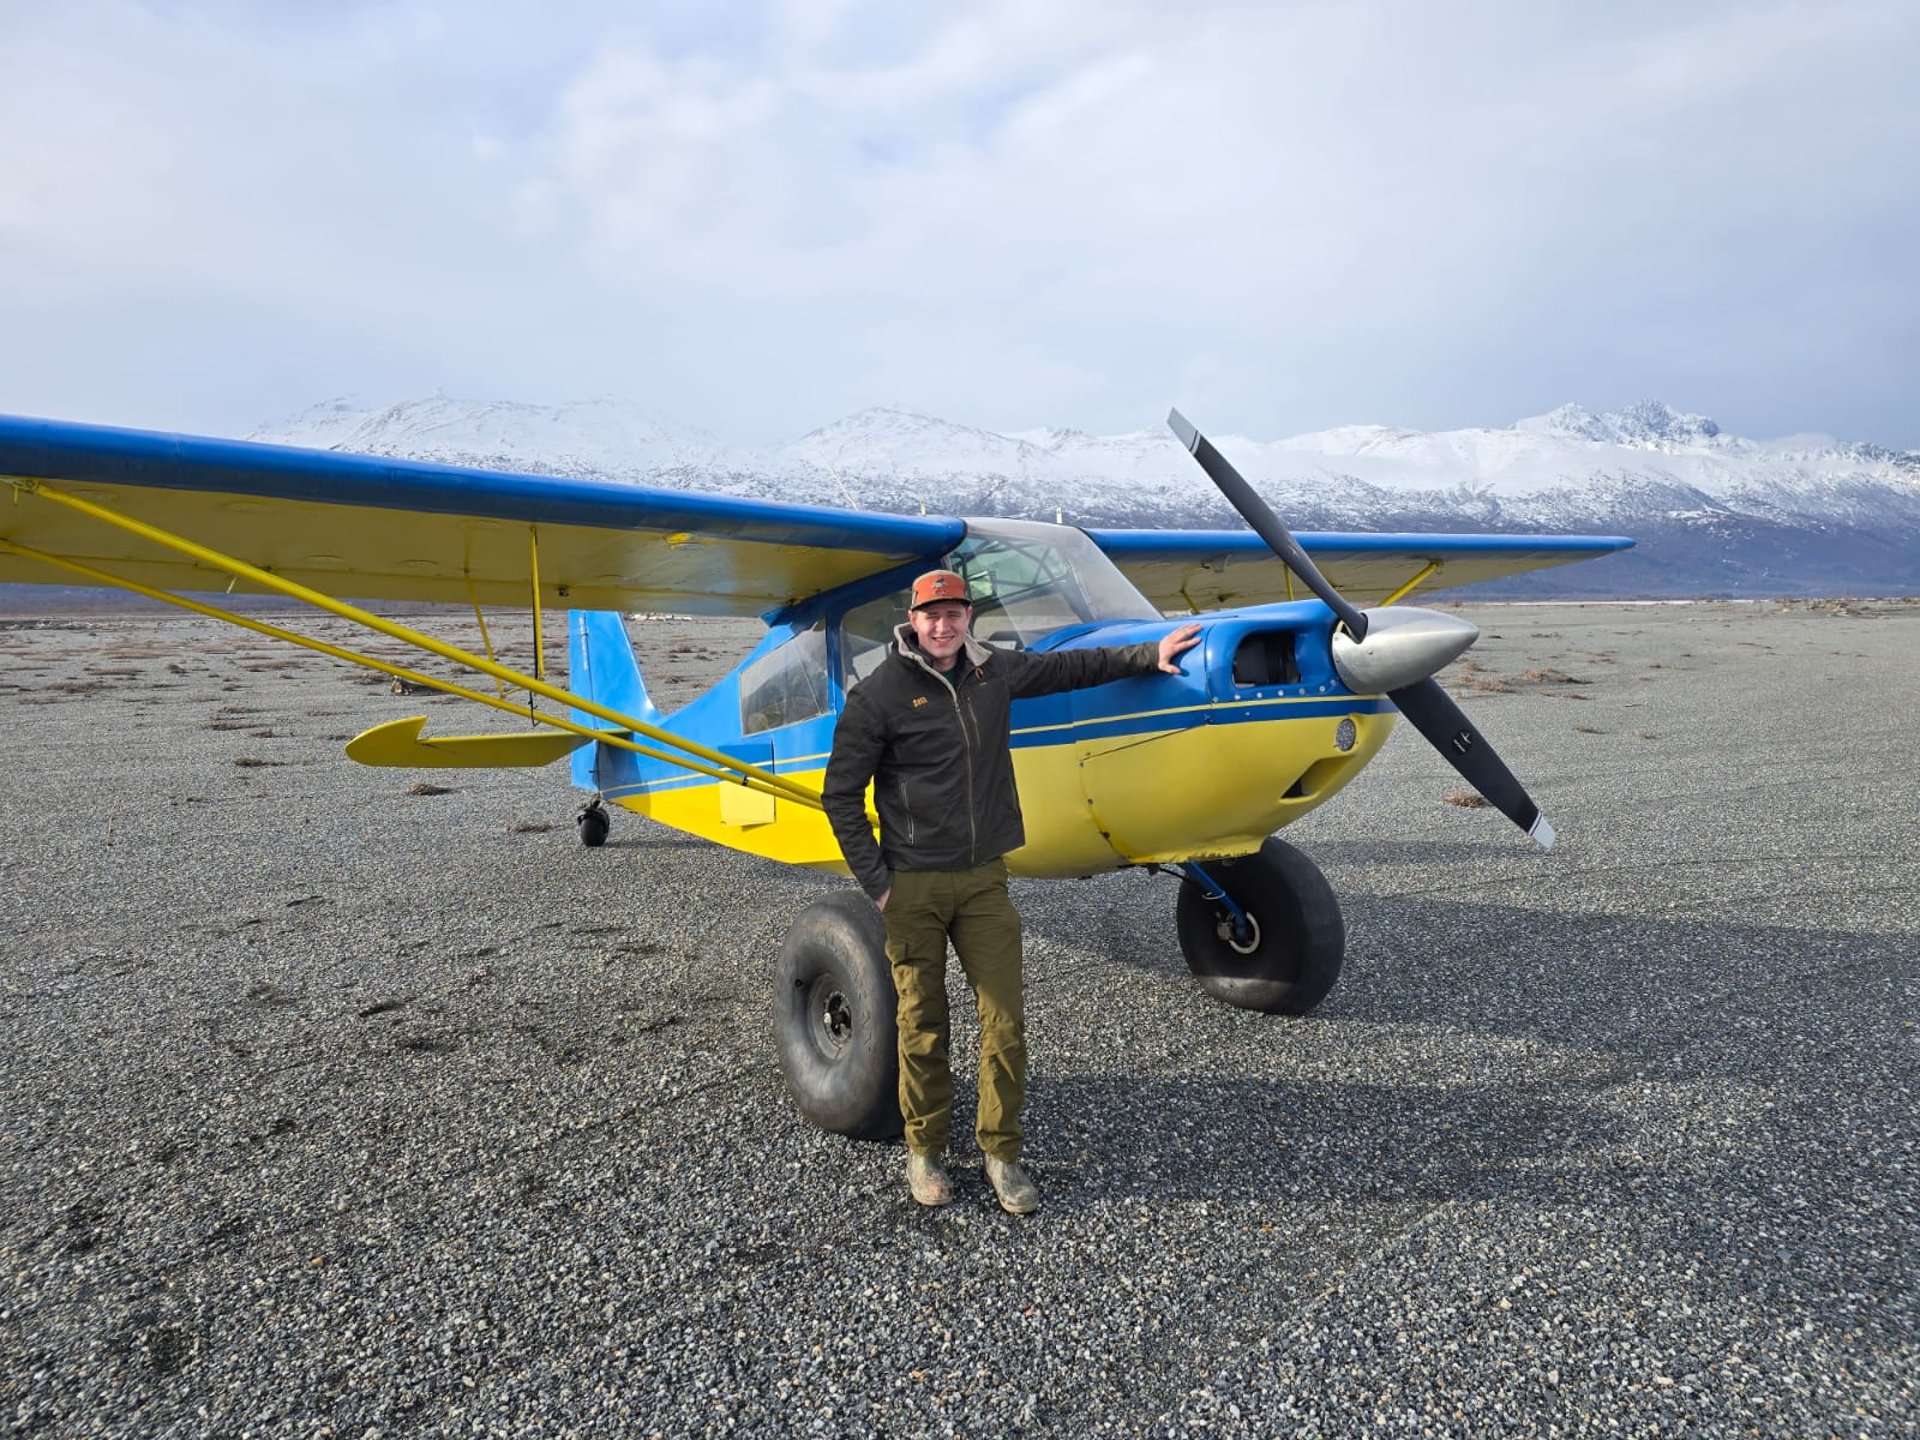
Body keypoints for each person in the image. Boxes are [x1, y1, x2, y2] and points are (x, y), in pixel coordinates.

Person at [823, 569, 1202, 1213]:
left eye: (955, 613)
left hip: (983, 880)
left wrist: (1148, 653)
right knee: (922, 1023)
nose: (943, 626)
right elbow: (840, 795)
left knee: (1005, 1020)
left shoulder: (993, 671)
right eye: (931, 615)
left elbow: (1071, 669)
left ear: (969, 616)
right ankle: (926, 1151)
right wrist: (881, 886)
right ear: (912, 620)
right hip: (911, 884)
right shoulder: (878, 694)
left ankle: (1001, 1155)